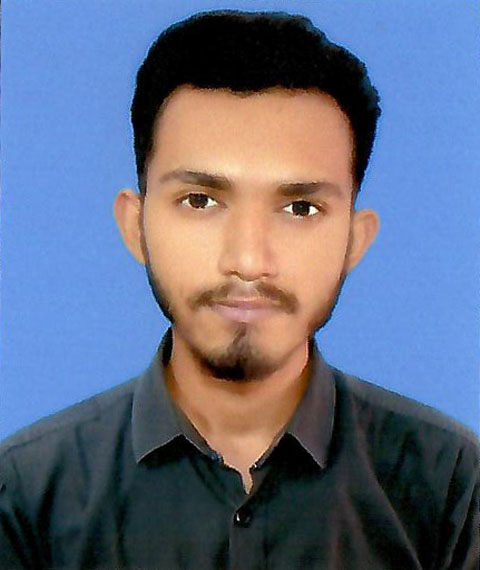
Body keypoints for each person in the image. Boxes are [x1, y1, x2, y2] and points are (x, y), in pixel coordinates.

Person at [0, 9, 478, 570]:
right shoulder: (25, 494)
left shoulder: (451, 487)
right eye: (200, 201)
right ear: (135, 226)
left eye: (300, 208)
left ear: (355, 240)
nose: (249, 261)